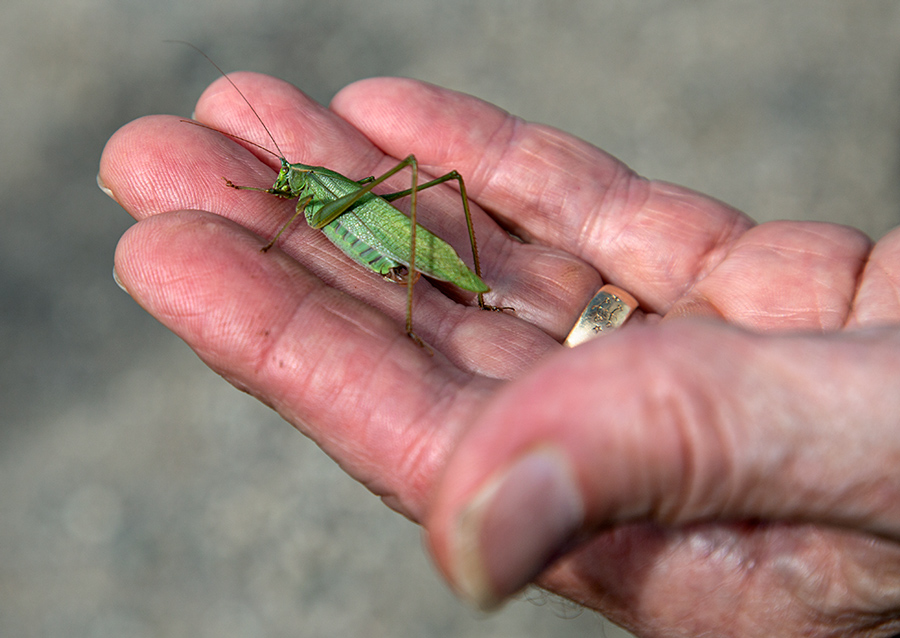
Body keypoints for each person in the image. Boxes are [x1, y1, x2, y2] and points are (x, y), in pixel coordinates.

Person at [98, 72, 900, 637]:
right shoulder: (299, 187)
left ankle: (439, 293)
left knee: (395, 214)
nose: (284, 186)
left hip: (379, 227)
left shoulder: (312, 195)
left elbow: (300, 205)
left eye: (287, 181)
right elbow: (289, 193)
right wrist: (270, 194)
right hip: (359, 212)